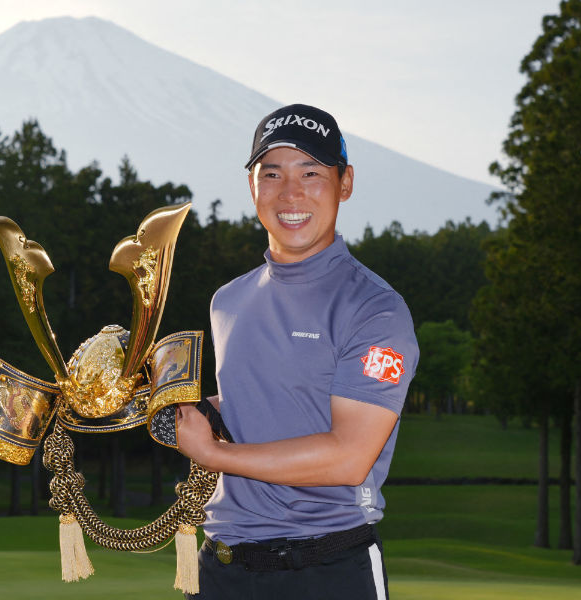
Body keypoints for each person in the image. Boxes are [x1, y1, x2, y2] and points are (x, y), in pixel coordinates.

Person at [176, 103, 419, 600]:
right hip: (221, 567)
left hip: (327, 568)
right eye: (272, 174)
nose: (290, 193)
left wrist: (213, 453)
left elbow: (349, 458)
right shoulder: (228, 301)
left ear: (345, 182)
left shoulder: (375, 310)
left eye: (311, 172)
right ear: (252, 186)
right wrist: (193, 411)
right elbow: (259, 403)